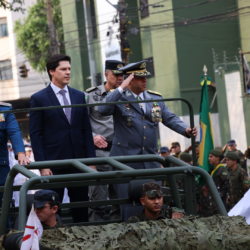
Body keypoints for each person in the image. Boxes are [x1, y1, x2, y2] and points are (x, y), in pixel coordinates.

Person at [98, 60, 197, 211]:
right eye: (140, 78)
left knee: (153, 205)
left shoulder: (154, 98)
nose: (145, 81)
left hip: (150, 161)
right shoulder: (119, 97)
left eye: (146, 78)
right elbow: (102, 109)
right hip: (125, 162)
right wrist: (121, 88)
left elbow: (169, 117)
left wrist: (186, 129)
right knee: (129, 206)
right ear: (130, 79)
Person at [29, 54, 96, 223]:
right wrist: (42, 165)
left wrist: (91, 162)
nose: (68, 72)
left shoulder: (79, 96)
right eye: (63, 69)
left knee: (81, 209)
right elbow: (35, 134)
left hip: (78, 163)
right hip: (53, 165)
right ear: (52, 71)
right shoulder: (39, 98)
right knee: (51, 211)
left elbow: (86, 130)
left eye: (69, 69)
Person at [85, 60, 125, 221]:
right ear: (107, 74)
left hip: (121, 154)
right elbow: (81, 124)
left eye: (123, 75)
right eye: (116, 74)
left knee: (119, 201)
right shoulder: (91, 95)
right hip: (99, 154)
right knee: (97, 202)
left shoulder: (126, 95)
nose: (120, 78)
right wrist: (92, 136)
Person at [0, 102, 30, 207]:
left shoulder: (4, 109)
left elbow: (14, 132)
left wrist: (20, 152)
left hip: (0, 168)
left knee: (4, 208)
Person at [200, 150, 230, 217]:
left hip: (221, 201)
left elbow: (227, 182)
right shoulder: (214, 169)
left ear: (217, 158)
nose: (209, 158)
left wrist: (222, 194)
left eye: (211, 157)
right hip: (214, 201)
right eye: (209, 157)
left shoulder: (221, 169)